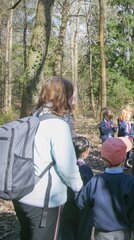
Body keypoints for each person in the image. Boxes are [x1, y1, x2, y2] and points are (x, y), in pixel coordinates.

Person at [12, 76, 83, 240]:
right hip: (44, 201)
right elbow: (68, 168)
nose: (75, 98)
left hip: (22, 194)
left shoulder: (33, 116)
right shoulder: (58, 125)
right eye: (72, 94)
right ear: (63, 96)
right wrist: (80, 188)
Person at [76, 137, 134, 240]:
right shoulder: (130, 182)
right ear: (124, 159)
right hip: (123, 232)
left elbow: (81, 203)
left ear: (103, 158)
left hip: (101, 232)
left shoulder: (95, 181)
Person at [60, 137, 94, 240]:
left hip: (66, 205)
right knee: (83, 232)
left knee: (67, 230)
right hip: (83, 208)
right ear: (84, 153)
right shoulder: (86, 170)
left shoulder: (63, 166)